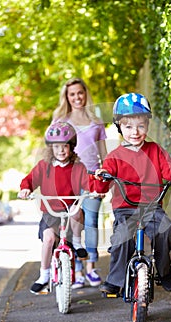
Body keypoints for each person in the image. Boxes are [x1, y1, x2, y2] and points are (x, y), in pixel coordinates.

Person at [91, 92, 171, 294]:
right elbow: (103, 180)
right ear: (119, 127)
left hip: (151, 207)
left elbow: (168, 167)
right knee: (122, 237)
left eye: (140, 126)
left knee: (167, 231)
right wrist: (101, 177)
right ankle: (115, 280)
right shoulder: (115, 156)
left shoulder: (155, 150)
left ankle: (163, 271)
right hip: (125, 208)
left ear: (147, 125)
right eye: (128, 127)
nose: (135, 132)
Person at [18, 122, 90, 294]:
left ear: (71, 147)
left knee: (76, 210)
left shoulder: (78, 167)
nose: (61, 150)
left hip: (70, 212)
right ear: (50, 148)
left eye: (65, 146)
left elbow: (89, 182)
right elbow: (30, 179)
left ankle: (77, 243)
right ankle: (44, 274)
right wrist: (25, 188)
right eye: (56, 146)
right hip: (50, 212)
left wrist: (95, 189)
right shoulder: (44, 166)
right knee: (49, 239)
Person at [53, 77, 107, 288]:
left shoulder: (96, 120)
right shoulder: (60, 120)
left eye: (80, 93)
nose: (77, 97)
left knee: (91, 220)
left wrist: (106, 175)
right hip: (69, 176)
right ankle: (75, 270)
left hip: (93, 175)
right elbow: (53, 149)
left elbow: (104, 153)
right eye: (72, 94)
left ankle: (91, 267)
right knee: (71, 222)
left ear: (85, 94)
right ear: (67, 97)